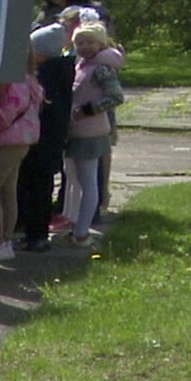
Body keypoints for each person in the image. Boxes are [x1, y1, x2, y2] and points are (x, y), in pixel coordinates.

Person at [64, 23, 125, 247]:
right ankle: (78, 228)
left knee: (89, 182)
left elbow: (117, 97)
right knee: (78, 182)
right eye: (80, 43)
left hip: (91, 132)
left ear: (100, 44)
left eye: (90, 42)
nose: (85, 47)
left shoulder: (101, 69)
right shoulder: (81, 65)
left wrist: (88, 110)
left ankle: (82, 233)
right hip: (76, 131)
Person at [17, 24, 74, 252]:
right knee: (42, 186)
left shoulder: (45, 76)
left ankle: (36, 236)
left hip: (40, 139)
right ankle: (36, 233)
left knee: (35, 188)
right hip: (52, 139)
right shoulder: (62, 71)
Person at [0, 71, 42, 261]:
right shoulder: (28, 79)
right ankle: (4, 240)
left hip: (9, 140)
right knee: (7, 191)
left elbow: (8, 114)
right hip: (22, 139)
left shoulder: (15, 82)